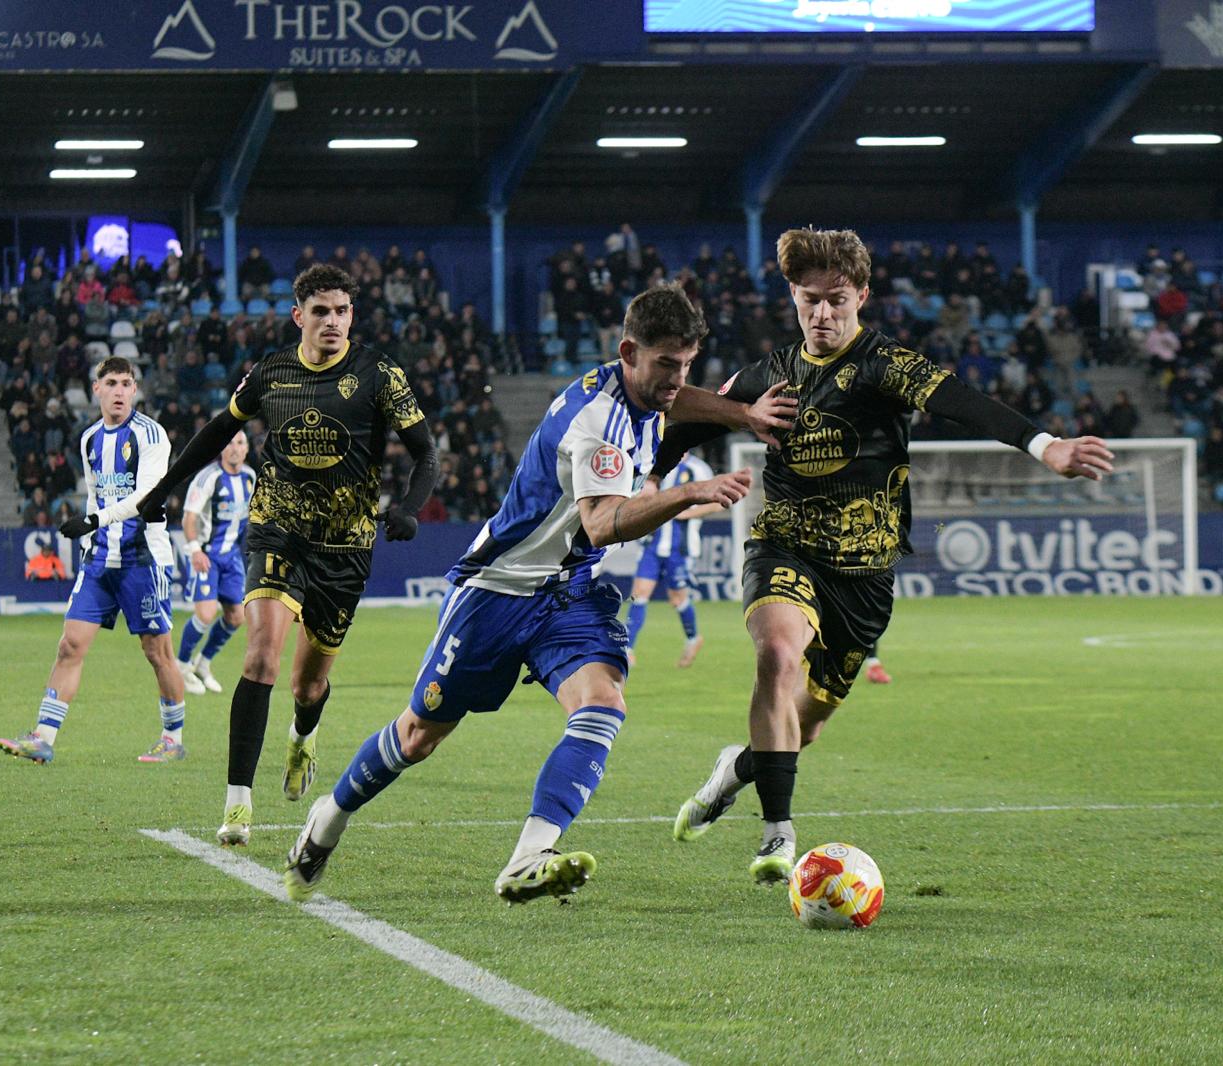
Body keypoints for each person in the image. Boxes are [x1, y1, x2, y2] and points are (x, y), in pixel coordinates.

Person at [279, 283, 793, 906]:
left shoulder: (640, 387)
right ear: (628, 352)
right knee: (418, 736)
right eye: (666, 363)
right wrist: (689, 492)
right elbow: (603, 523)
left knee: (602, 702)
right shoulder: (598, 424)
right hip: (499, 590)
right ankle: (327, 820)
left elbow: (678, 398)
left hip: (567, 592)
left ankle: (529, 856)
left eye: (686, 363)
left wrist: (743, 414)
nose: (677, 378)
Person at [660, 227, 1113, 886]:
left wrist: (1046, 446)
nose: (822, 313)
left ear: (862, 296)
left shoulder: (884, 365)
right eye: (809, 299)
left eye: (837, 300)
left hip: (865, 576)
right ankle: (777, 833)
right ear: (792, 296)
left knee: (803, 729)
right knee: (776, 653)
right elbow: (688, 424)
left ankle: (733, 771)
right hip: (783, 544)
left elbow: (963, 404)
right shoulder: (768, 375)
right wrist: (646, 481)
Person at [80, 265, 440, 846]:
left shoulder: (379, 373)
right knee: (260, 660)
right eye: (320, 311)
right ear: (299, 316)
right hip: (277, 532)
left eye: (341, 311)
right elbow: (218, 429)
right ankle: (237, 804)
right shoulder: (271, 373)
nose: (332, 321)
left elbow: (427, 453)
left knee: (307, 686)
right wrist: (163, 489)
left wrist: (410, 507)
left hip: (344, 548)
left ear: (352, 315)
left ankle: (302, 736)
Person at [0, 357, 187, 766]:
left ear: (134, 390)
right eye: (111, 383)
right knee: (69, 645)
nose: (119, 391)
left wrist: (94, 521)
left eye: (126, 383)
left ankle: (172, 739)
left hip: (142, 559)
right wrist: (90, 536)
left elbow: (146, 497)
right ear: (96, 388)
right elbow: (96, 496)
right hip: (99, 559)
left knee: (157, 652)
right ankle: (42, 738)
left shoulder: (151, 435)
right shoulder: (89, 439)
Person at [175, 431, 256, 696]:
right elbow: (189, 518)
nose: (234, 448)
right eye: (229, 442)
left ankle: (203, 662)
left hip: (231, 557)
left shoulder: (250, 477)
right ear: (221, 448)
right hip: (207, 555)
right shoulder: (208, 478)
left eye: (240, 443)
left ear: (246, 449)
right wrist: (195, 551)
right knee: (206, 613)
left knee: (236, 616)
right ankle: (181, 666)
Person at [625, 450, 719, 669]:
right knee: (639, 593)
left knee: (677, 599)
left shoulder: (698, 469)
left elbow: (717, 503)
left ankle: (693, 638)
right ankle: (627, 649)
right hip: (651, 543)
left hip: (680, 548)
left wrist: (684, 513)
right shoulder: (654, 465)